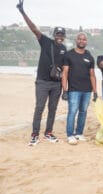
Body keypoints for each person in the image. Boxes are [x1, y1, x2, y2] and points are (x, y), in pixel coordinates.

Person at [17, 0, 67, 146]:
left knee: (53, 109)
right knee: (39, 108)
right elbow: (33, 28)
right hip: (42, 82)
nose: (59, 36)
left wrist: (65, 89)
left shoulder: (64, 49)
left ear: (64, 36)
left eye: (61, 34)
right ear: (54, 34)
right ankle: (34, 134)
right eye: (57, 33)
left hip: (56, 84)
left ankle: (48, 133)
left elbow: (65, 70)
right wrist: (22, 12)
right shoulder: (45, 41)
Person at [62, 32, 97, 145]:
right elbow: (65, 73)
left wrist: (95, 91)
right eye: (80, 39)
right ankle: (70, 135)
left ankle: (79, 133)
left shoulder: (89, 56)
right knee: (72, 112)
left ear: (86, 41)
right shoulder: (69, 55)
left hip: (87, 90)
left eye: (84, 39)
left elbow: (92, 75)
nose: (82, 41)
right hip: (74, 90)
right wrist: (65, 90)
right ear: (76, 40)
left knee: (83, 112)